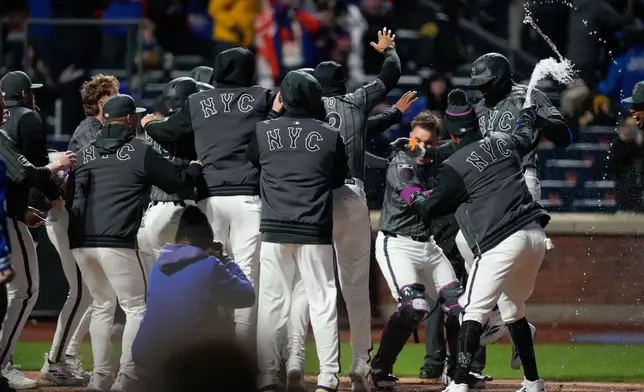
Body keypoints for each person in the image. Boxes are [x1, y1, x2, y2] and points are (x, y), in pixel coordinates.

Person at [399, 89, 550, 392]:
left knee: (473, 313)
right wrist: (527, 116)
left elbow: (430, 209)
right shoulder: (503, 141)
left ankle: (458, 383)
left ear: (452, 136)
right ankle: (533, 382)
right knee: (513, 311)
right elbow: (523, 136)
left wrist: (410, 193)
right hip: (535, 239)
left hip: (502, 243)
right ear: (478, 126)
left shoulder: (454, 166)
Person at [66, 94, 204, 391]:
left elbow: (69, 197)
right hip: (115, 240)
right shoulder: (138, 150)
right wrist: (194, 166)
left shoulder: (86, 152)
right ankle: (127, 377)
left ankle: (99, 378)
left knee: (103, 305)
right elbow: (178, 182)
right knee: (137, 308)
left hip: (80, 241)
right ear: (129, 119)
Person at [142, 47, 277, 343]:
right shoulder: (262, 96)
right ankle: (248, 361)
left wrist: (148, 123)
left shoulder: (197, 101)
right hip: (249, 198)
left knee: (207, 273)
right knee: (247, 278)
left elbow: (165, 133)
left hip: (209, 198)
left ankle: (212, 354)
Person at [294, 26, 400, 390]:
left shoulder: (304, 109)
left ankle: (325, 373)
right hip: (351, 196)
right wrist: (387, 50)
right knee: (354, 288)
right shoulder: (355, 101)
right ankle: (360, 365)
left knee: (317, 289)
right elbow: (391, 75)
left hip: (314, 200)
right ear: (341, 83)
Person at [372, 110, 505, 390]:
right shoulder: (401, 164)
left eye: (430, 143)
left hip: (428, 245)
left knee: (463, 308)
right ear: (411, 137)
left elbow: (461, 144)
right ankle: (380, 368)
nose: (423, 148)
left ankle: (457, 371)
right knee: (414, 307)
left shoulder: (436, 156)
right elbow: (419, 201)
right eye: (418, 140)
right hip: (397, 244)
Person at [246, 70, 348, 392]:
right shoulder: (330, 134)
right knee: (322, 303)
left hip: (274, 228)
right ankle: (328, 378)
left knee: (272, 303)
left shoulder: (263, 131)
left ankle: (267, 375)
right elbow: (338, 179)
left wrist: (274, 114)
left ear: (285, 97)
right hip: (315, 228)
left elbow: (253, 161)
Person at [470, 52, 570, 368]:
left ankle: (506, 321)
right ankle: (517, 326)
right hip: (486, 185)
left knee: (503, 255)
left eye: (487, 82)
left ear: (500, 76)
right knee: (473, 250)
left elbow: (564, 135)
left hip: (520, 178)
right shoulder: (479, 107)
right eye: (479, 84)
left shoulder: (527, 95)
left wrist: (534, 117)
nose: (483, 89)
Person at [132, 206, 255, 392]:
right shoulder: (210, 266)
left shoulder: (158, 266)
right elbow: (247, 296)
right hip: (182, 359)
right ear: (207, 241)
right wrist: (225, 259)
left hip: (145, 357)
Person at [137, 77, 200, 274]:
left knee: (156, 287)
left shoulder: (153, 127)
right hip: (183, 210)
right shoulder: (196, 128)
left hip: (152, 214)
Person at [68, 74, 120, 153]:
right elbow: (103, 158)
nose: (121, 101)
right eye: (116, 98)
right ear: (101, 105)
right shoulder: (89, 129)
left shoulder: (105, 127)